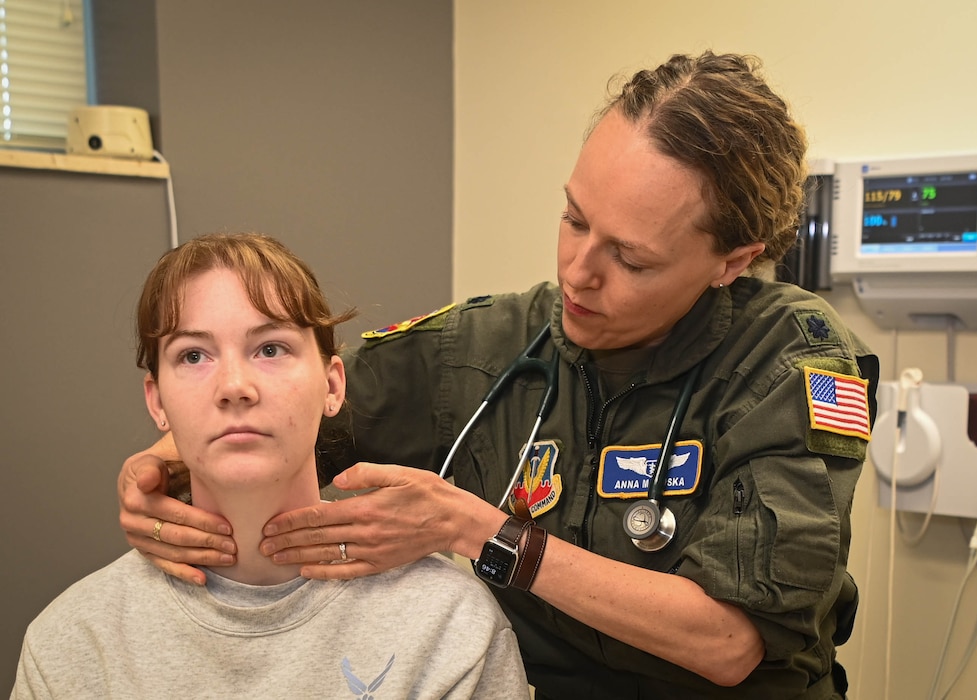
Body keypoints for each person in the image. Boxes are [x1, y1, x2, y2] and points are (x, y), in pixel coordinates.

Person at [117, 52, 879, 699]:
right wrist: (160, 469)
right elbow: (289, 394)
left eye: (631, 258)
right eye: (576, 219)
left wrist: (482, 531)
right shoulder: (489, 345)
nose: (579, 273)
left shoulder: (792, 362)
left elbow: (729, 642)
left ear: (732, 261)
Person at [14, 233, 529, 699]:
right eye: (194, 356)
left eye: (270, 348)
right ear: (157, 402)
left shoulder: (448, 629)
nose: (235, 386)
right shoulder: (73, 644)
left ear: (332, 385)